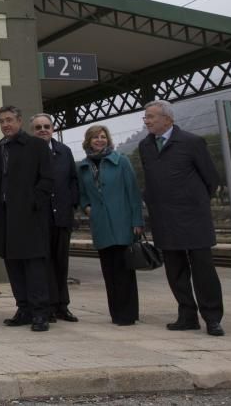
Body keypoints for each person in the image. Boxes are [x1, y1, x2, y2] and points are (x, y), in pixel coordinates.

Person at [140, 99, 225, 336]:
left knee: (203, 270)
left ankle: (213, 318)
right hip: (164, 218)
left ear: (168, 119)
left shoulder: (191, 142)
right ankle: (187, 315)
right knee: (175, 271)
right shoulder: (145, 146)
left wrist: (194, 201)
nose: (147, 121)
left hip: (193, 218)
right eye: (145, 117)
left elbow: (211, 179)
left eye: (151, 117)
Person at [0, 105, 53, 332]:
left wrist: (34, 202)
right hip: (4, 216)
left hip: (30, 217)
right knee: (13, 265)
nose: (6, 124)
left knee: (33, 266)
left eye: (10, 120)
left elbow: (47, 179)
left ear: (20, 121)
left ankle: (40, 312)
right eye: (2, 121)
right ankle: (23, 308)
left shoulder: (36, 146)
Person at [76, 124, 143, 326]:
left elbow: (133, 192)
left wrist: (137, 221)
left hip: (123, 222)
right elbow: (81, 194)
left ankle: (129, 314)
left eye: (103, 137)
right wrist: (87, 208)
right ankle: (116, 313)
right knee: (109, 271)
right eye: (95, 137)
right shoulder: (83, 166)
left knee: (125, 271)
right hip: (101, 224)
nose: (99, 140)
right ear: (88, 141)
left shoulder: (121, 161)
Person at [30, 113, 80, 323]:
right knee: (45, 263)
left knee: (61, 263)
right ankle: (48, 306)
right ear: (33, 131)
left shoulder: (64, 152)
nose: (43, 130)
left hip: (61, 217)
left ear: (52, 128)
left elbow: (73, 181)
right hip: (40, 219)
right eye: (38, 127)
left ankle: (62, 306)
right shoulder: (29, 153)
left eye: (46, 126)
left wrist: (71, 205)